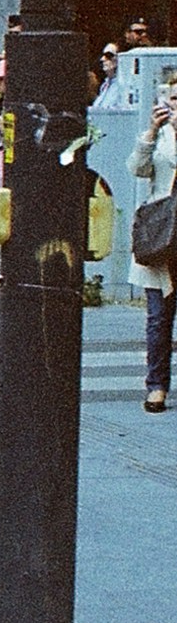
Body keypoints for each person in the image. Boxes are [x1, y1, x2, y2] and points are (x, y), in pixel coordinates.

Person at [131, 72, 177, 413]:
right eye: (173, 99)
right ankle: (156, 385)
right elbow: (137, 168)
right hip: (162, 232)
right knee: (159, 316)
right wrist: (150, 132)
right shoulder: (159, 135)